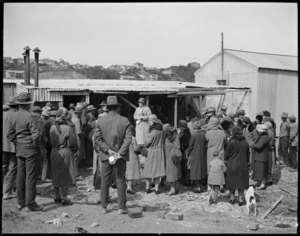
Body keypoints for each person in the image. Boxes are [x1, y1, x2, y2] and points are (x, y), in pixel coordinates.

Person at [94, 96, 133, 215]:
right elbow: (128, 139)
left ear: (107, 108)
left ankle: (103, 207)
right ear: (117, 107)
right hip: (120, 156)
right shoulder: (125, 120)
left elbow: (97, 139)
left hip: (106, 156)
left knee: (104, 180)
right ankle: (121, 207)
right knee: (121, 180)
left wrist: (108, 151)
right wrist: (119, 153)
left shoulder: (100, 121)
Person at [7, 92, 43, 211]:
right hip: (31, 149)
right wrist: (36, 146)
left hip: (20, 148)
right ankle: (31, 203)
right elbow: (36, 135)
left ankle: (20, 202)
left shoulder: (14, 115)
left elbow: (10, 134)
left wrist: (17, 143)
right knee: (31, 176)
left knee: (20, 175)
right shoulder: (31, 116)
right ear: (29, 104)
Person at [50, 109, 78, 206]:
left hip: (54, 152)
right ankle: (65, 198)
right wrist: (74, 149)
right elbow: (73, 142)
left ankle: (57, 196)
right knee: (65, 174)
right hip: (65, 151)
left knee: (55, 173)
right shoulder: (68, 128)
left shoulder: (52, 128)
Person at [225, 127, 250, 206]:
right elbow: (247, 155)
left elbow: (226, 155)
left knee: (231, 182)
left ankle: (232, 198)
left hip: (232, 165)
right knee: (241, 183)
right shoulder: (245, 142)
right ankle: (240, 199)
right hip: (243, 165)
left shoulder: (231, 142)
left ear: (233, 133)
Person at [143, 114, 165, 194]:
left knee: (149, 170)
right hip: (159, 151)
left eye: (150, 121)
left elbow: (148, 142)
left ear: (154, 121)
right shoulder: (161, 131)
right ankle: (156, 189)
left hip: (151, 151)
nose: (148, 122)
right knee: (157, 171)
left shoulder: (153, 132)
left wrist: (145, 145)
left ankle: (147, 188)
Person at [3, 96, 18, 200]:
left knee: (3, 168)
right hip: (13, 146)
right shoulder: (16, 115)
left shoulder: (4, 114)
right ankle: (7, 192)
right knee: (12, 168)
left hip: (3, 145)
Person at [186, 119, 207, 193]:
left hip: (194, 155)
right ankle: (201, 186)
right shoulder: (203, 135)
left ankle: (197, 187)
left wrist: (188, 153)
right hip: (202, 154)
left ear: (194, 127)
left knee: (195, 171)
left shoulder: (194, 135)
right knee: (201, 170)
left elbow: (190, 146)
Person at [31, 106, 50, 183]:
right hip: (40, 144)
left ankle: (38, 176)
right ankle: (43, 177)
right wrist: (46, 140)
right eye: (39, 112)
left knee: (37, 161)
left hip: (33, 143)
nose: (40, 114)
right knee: (45, 161)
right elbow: (42, 132)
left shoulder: (30, 119)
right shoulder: (38, 121)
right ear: (37, 112)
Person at [249, 124, 269, 190]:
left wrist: (252, 144)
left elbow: (259, 146)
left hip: (261, 156)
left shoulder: (264, 137)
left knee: (261, 171)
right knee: (260, 171)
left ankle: (262, 184)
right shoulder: (262, 136)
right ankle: (260, 182)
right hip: (260, 156)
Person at [163, 124, 182, 195]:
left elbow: (177, 147)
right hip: (170, 157)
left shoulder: (174, 137)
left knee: (172, 174)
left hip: (172, 157)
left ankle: (172, 189)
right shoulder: (169, 137)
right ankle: (175, 187)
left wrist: (176, 156)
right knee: (173, 173)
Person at [71, 107, 85, 179]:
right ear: (79, 113)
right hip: (77, 139)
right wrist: (83, 134)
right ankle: (76, 174)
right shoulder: (76, 120)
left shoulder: (72, 118)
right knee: (77, 157)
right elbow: (79, 132)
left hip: (72, 139)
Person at [125, 130, 140, 195]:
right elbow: (135, 149)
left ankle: (127, 186)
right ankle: (129, 187)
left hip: (124, 157)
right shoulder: (133, 138)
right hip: (131, 156)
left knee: (126, 172)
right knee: (131, 173)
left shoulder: (123, 137)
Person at [178, 120, 191, 186]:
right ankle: (186, 180)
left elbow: (184, 144)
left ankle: (185, 181)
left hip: (184, 152)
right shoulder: (188, 132)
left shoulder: (183, 134)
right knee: (186, 166)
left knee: (184, 166)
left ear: (182, 127)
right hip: (187, 151)